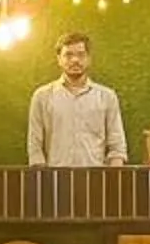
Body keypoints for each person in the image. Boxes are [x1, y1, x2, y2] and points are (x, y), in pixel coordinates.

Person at [27, 32, 128, 167]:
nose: (75, 60)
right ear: (59, 59)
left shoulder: (107, 97)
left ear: (89, 58)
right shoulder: (42, 96)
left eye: (81, 54)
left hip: (95, 179)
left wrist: (113, 179)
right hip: (55, 180)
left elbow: (117, 145)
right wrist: (43, 181)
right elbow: (35, 146)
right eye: (68, 55)